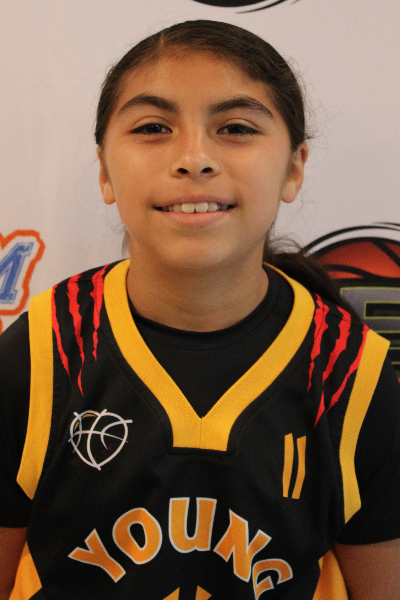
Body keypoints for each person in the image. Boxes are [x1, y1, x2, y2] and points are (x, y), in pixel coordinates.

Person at [0, 19, 399, 600]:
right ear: (106, 171)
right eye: (153, 127)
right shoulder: (42, 355)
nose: (194, 158)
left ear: (293, 168)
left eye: (236, 128)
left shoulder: (350, 374)